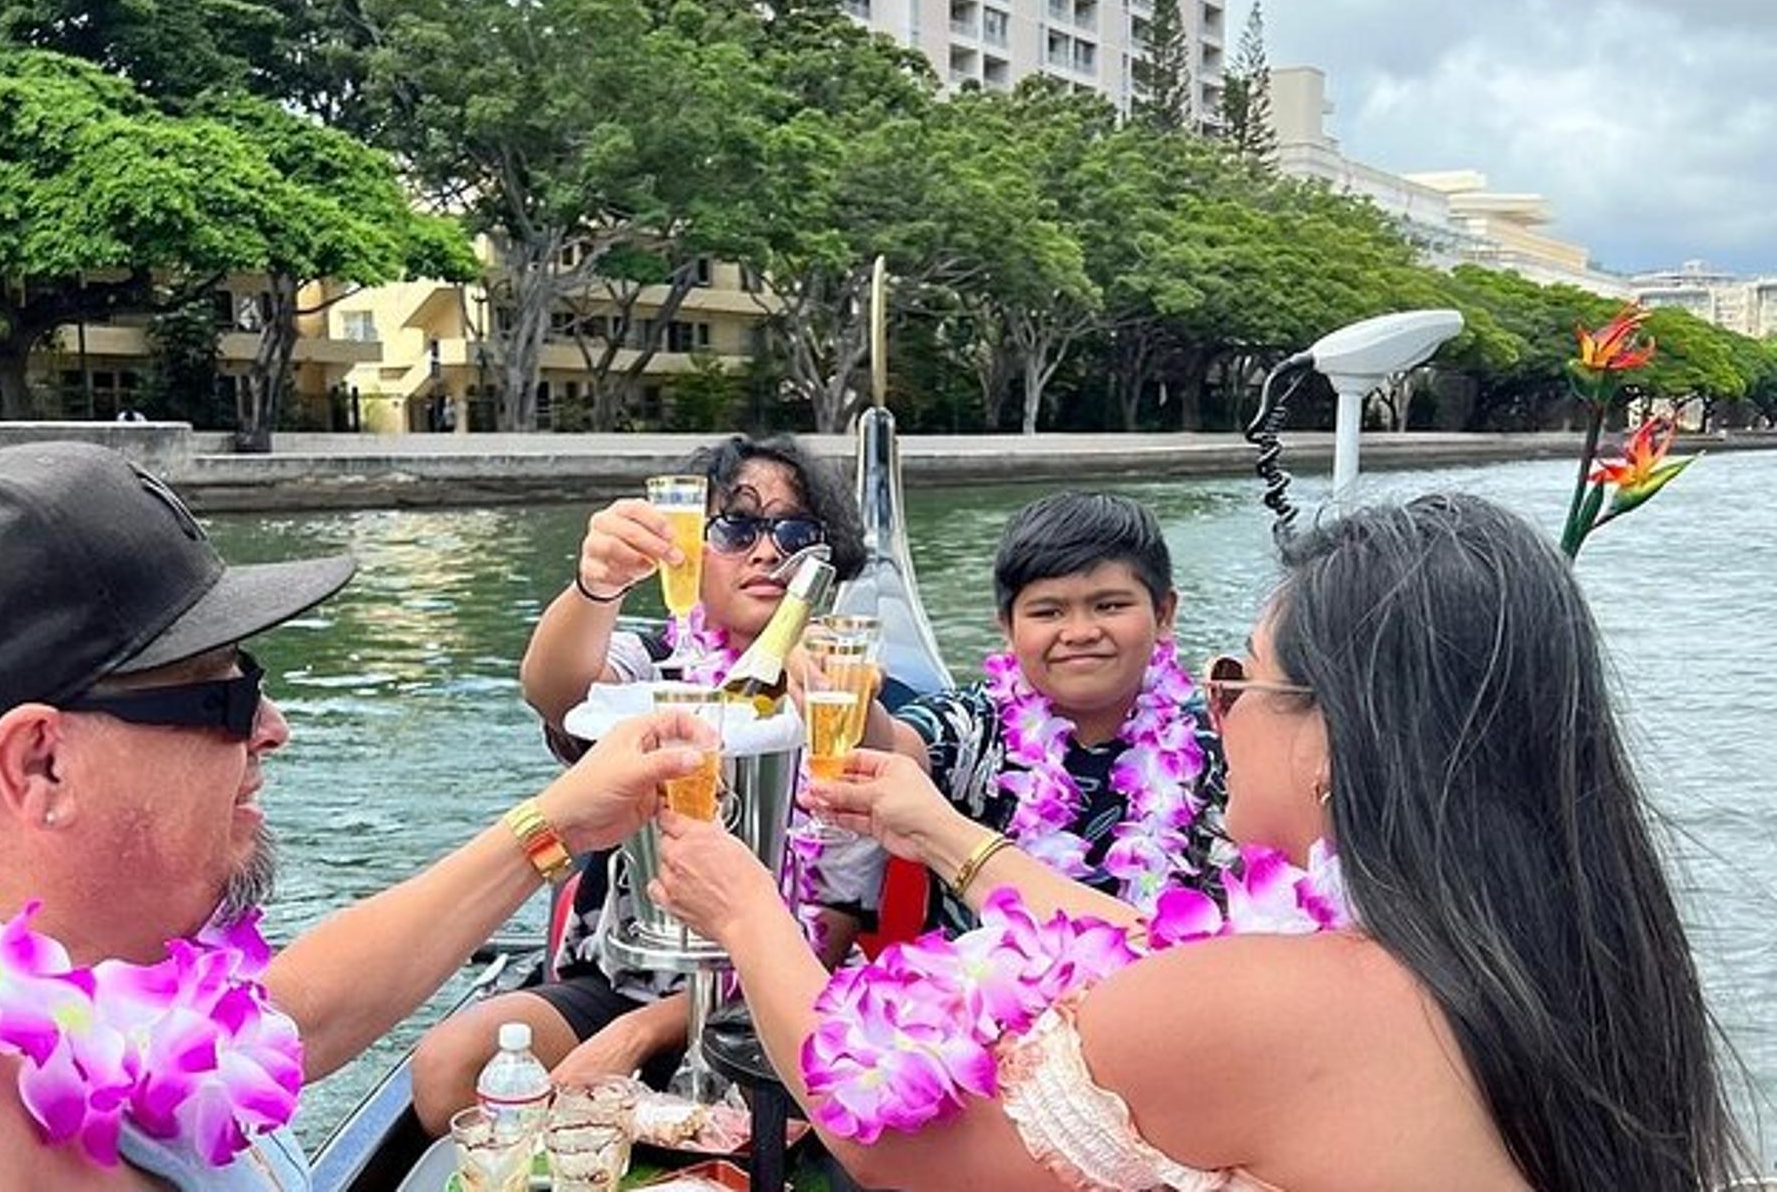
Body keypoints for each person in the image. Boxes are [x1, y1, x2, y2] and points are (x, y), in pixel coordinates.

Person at [651, 494, 1753, 1192]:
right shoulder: (1555, 949)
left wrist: (744, 908)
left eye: (1243, 680)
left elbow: (886, 1142)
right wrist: (942, 831)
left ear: (1335, 739)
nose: (1218, 711)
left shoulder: (1280, 1000)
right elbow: (1153, 943)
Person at [0, 442, 705, 1192]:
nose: (273, 727)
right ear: (41, 762)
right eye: (224, 696)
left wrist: (558, 824)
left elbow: (288, 1019)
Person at [411, 434, 892, 1134]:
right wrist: (597, 584)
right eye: (736, 528)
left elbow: (830, 929)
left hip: (781, 996)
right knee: (449, 1068)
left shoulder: (847, 695)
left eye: (794, 532)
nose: (768, 552)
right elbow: (554, 690)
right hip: (624, 977)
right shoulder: (655, 664)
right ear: (690, 549)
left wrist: (644, 1033)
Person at [863, 491, 1225, 933]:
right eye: (1048, 612)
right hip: (981, 977)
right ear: (1007, 627)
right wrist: (849, 701)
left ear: (1164, 614)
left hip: (1171, 972)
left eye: (1109, 606)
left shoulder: (1214, 741)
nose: (1080, 632)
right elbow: (888, 747)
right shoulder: (973, 726)